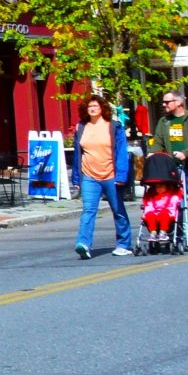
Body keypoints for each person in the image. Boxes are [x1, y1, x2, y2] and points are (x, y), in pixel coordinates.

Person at [71, 94, 133, 259]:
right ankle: (83, 244)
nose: (92, 109)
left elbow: (122, 152)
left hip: (111, 175)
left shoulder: (114, 127)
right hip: (89, 176)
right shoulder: (81, 127)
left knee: (118, 210)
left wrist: (121, 175)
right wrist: (76, 178)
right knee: (88, 210)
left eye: (95, 106)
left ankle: (124, 244)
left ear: (102, 108)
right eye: (89, 106)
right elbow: (77, 154)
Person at [150, 88, 188, 246]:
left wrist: (186, 153)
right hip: (174, 170)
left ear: (178, 102)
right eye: (163, 102)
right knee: (175, 205)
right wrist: (153, 153)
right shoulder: (164, 121)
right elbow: (158, 141)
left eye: (167, 102)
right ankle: (177, 236)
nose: (164, 105)